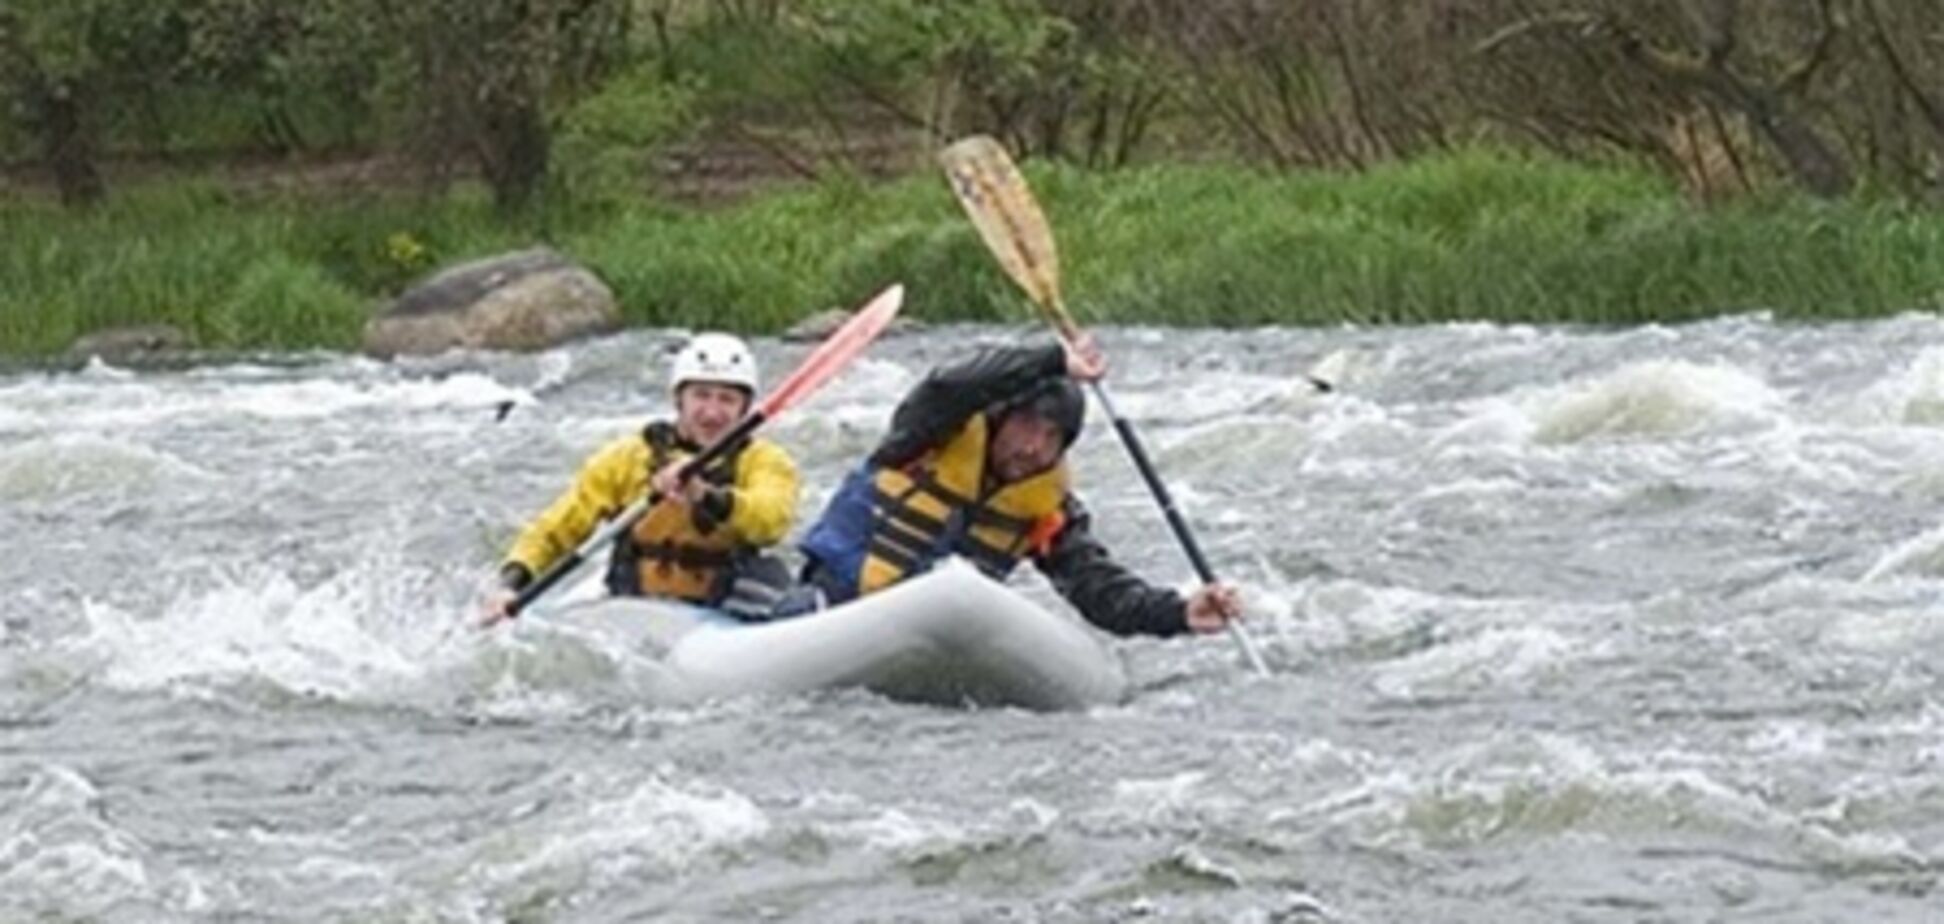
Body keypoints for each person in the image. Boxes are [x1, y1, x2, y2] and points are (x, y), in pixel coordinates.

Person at [791, 335, 1244, 637]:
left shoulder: (1048, 510)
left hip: (931, 634)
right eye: (1027, 425)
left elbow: (1096, 588)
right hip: (836, 606)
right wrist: (1051, 360)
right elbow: (950, 384)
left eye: (1052, 438)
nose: (1033, 447)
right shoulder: (927, 438)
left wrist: (1178, 613)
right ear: (999, 418)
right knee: (796, 609)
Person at [481, 333, 800, 625]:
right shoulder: (629, 458)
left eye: (726, 399)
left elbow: (770, 520)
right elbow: (558, 527)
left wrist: (706, 496)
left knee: (773, 580)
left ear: (744, 408)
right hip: (637, 608)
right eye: (701, 396)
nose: (712, 412)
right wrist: (512, 582)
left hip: (721, 610)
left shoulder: (766, 461)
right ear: (679, 399)